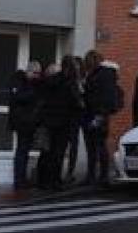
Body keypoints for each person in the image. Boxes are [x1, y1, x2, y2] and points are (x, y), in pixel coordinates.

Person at [36, 60, 83, 190]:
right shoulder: (70, 83)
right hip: (63, 122)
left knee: (46, 152)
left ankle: (42, 180)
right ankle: (55, 180)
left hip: (48, 121)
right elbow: (76, 102)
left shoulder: (49, 81)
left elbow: (42, 99)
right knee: (58, 152)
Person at [81, 51, 122, 187]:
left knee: (97, 145)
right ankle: (95, 175)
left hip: (97, 115)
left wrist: (100, 115)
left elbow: (103, 96)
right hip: (95, 114)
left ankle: (101, 176)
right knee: (95, 146)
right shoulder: (99, 74)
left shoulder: (102, 75)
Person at [8, 61, 41, 190]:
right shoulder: (18, 81)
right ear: (29, 71)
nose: (37, 76)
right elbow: (19, 97)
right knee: (22, 151)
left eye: (39, 73)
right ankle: (19, 180)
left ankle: (22, 179)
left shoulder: (29, 83)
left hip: (28, 121)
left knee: (24, 151)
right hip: (22, 122)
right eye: (36, 73)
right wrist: (34, 91)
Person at [59, 56, 83, 183]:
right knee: (69, 145)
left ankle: (67, 172)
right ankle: (68, 173)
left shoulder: (64, 79)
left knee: (67, 145)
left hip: (68, 117)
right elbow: (76, 100)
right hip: (72, 117)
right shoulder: (72, 82)